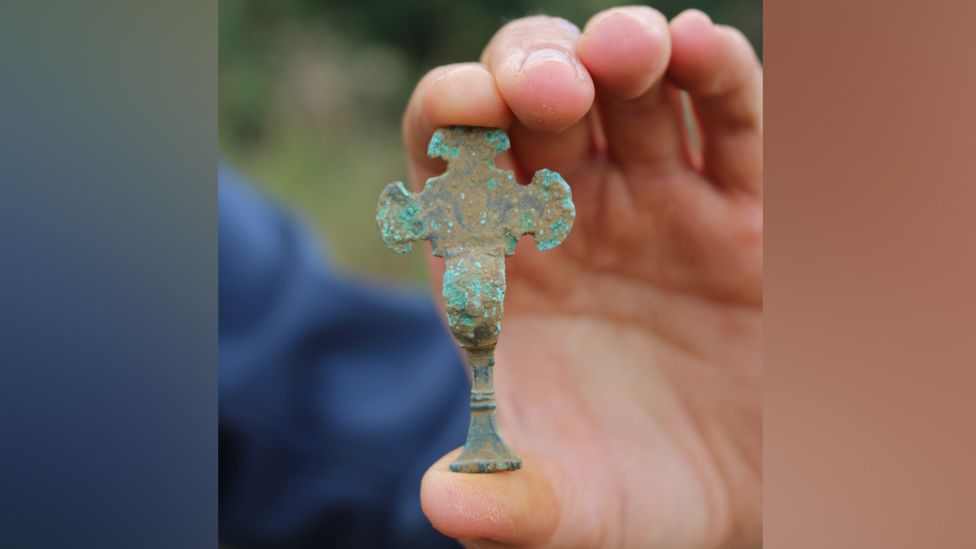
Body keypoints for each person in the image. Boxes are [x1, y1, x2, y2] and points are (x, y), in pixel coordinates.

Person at [221, 7, 762, 549]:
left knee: (479, 346)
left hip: (491, 309)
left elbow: (325, 411)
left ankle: (490, 427)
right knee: (477, 339)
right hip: (470, 284)